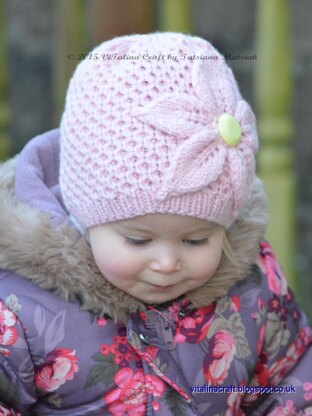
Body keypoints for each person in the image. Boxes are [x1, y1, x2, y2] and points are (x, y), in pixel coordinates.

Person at [0, 32, 311, 416]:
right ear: (82, 217)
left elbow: (289, 384)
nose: (167, 262)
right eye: (137, 239)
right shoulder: (21, 309)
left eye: (196, 240)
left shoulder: (252, 285)